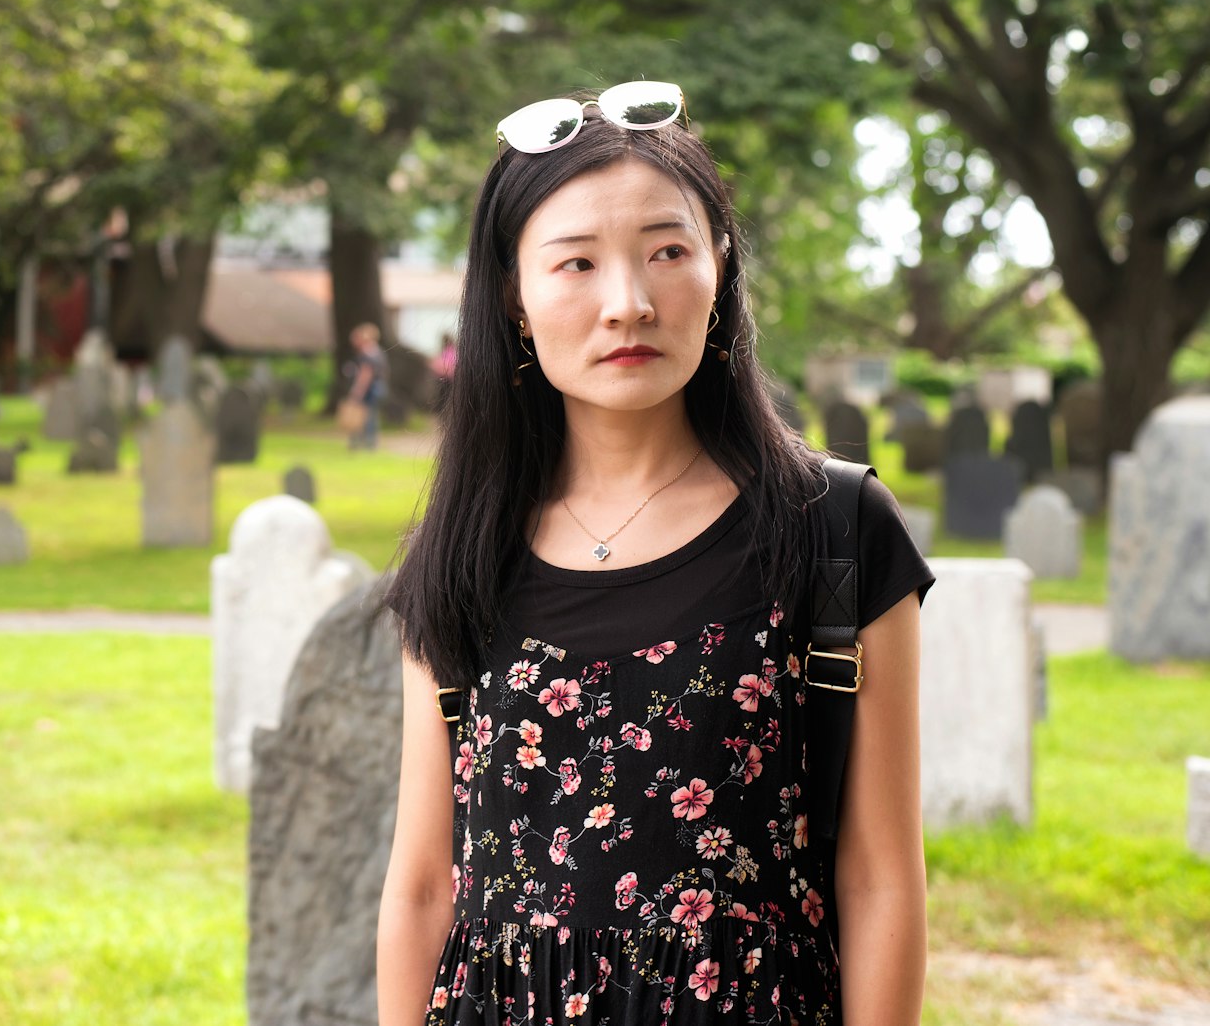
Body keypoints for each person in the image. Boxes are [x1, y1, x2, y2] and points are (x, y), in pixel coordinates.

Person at [376, 84, 931, 1025]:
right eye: (576, 264)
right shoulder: (460, 552)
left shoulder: (834, 527)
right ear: (513, 297)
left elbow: (881, 878)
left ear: (720, 268)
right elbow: (429, 883)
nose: (627, 303)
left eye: (666, 252)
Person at [346, 322, 388, 451]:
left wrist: (358, 390)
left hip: (369, 390)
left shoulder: (367, 353)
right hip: (378, 388)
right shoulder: (378, 352)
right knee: (372, 415)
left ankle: (365, 442)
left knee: (365, 416)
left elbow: (366, 374)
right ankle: (370, 442)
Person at [431, 332, 458, 415]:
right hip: (448, 380)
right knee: (446, 400)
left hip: (447, 380)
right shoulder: (451, 351)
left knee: (444, 399)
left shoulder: (449, 351)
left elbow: (449, 366)